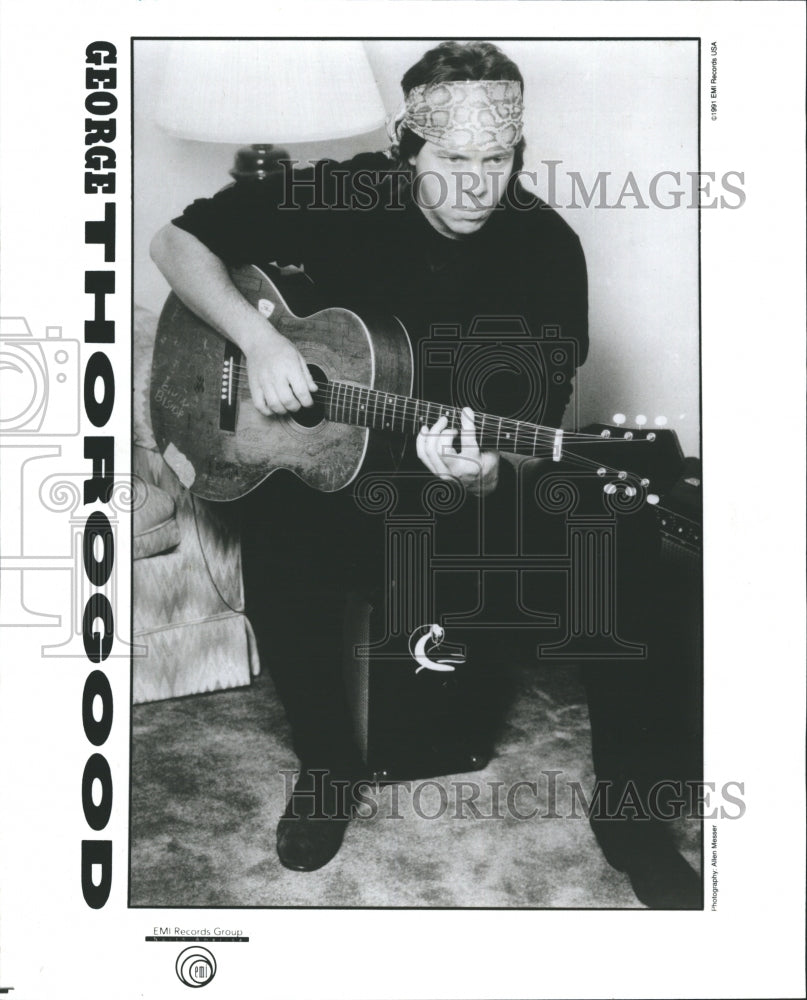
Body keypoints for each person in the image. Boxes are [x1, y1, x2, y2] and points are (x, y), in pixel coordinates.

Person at [150, 40, 700, 908]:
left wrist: (484, 474)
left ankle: (630, 817)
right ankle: (328, 768)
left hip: (451, 500)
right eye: (452, 159)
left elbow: (533, 424)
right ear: (408, 147)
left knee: (619, 549)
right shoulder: (338, 193)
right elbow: (176, 243)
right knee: (282, 537)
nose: (476, 184)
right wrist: (258, 343)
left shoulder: (546, 252)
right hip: (335, 492)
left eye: (496, 159)